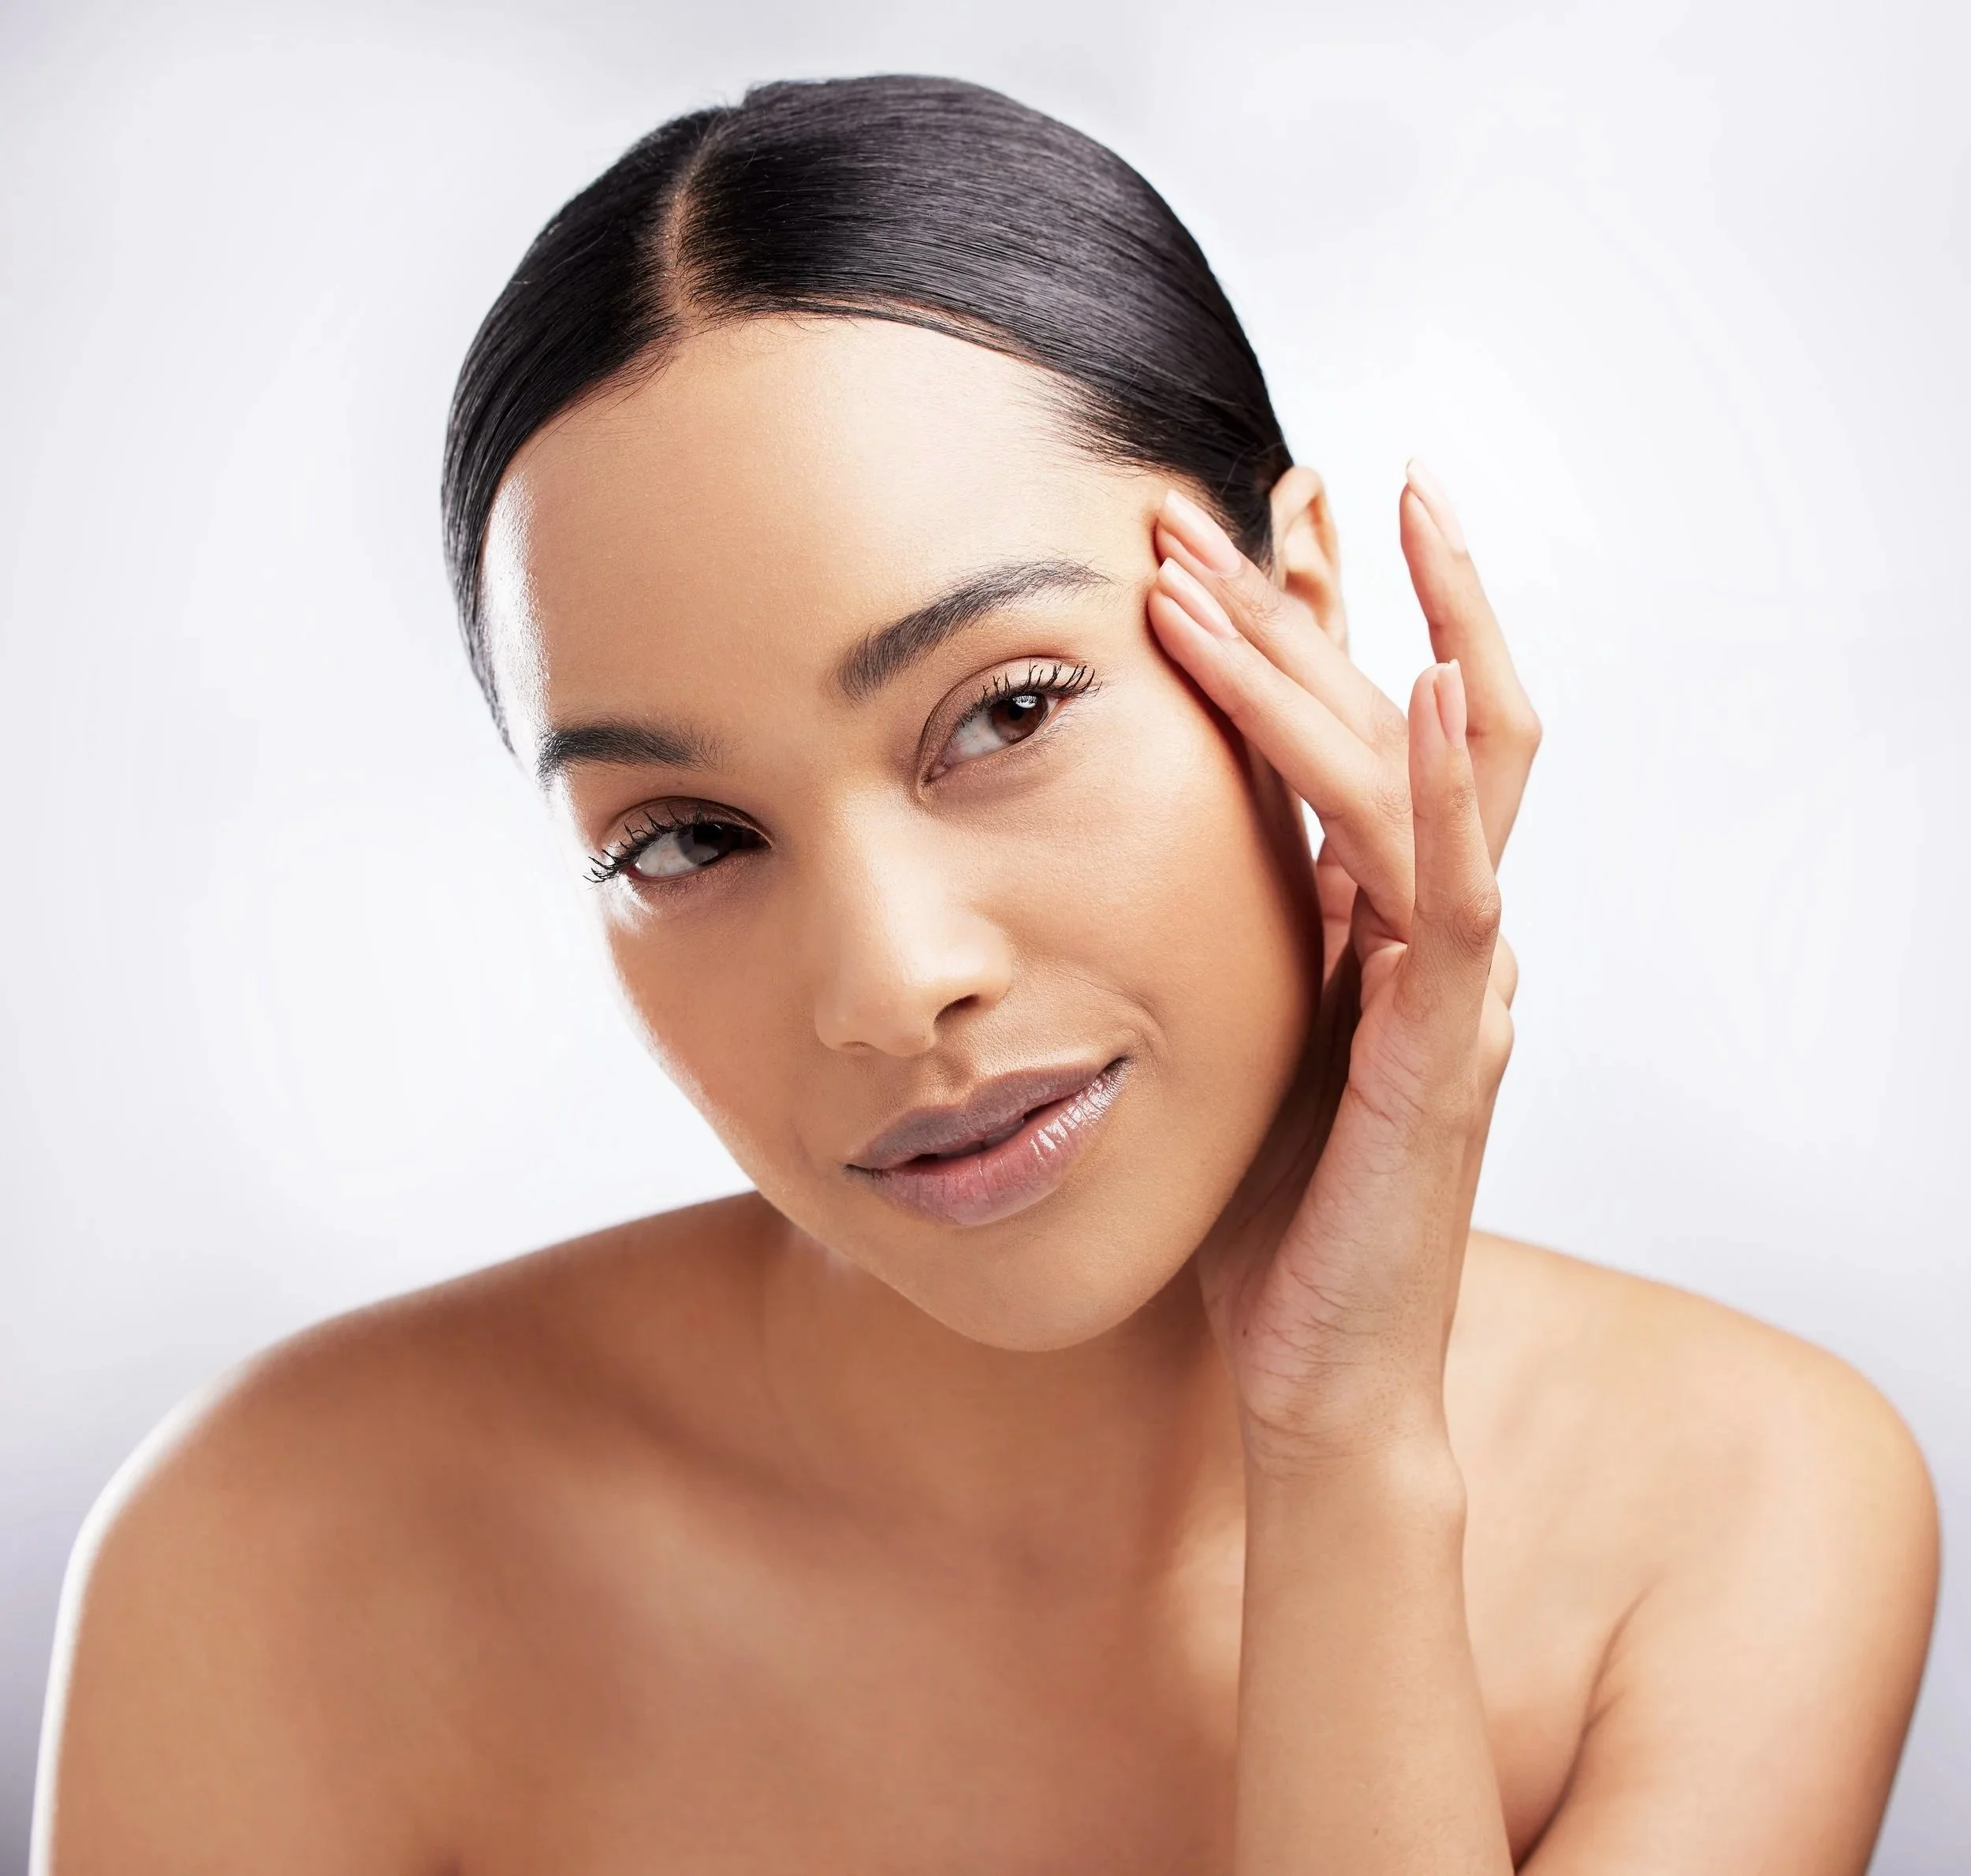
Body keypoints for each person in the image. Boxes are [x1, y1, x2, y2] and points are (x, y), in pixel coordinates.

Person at [33, 75, 1937, 1874]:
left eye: (1005, 710)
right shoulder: (276, 1557)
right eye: (683, 838)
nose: (890, 982)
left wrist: (1343, 1439)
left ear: (1293, 617)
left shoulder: (1743, 1511)